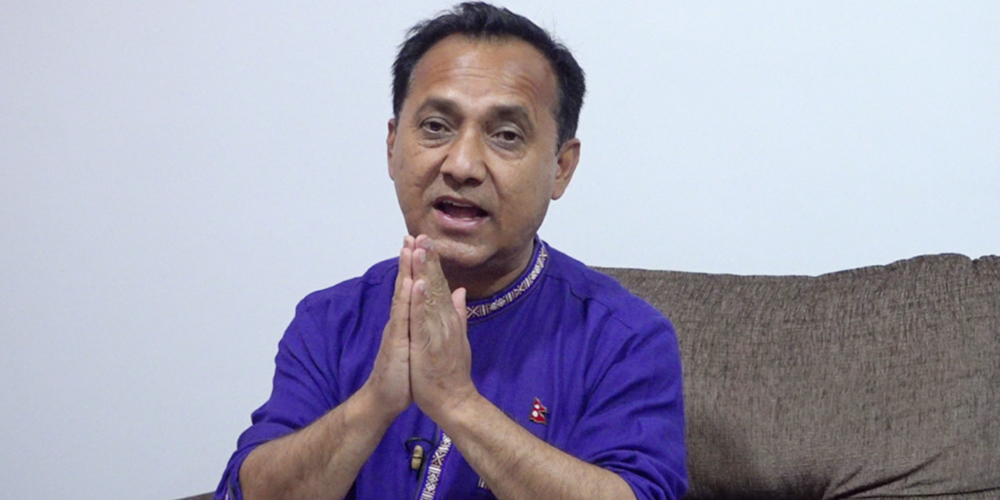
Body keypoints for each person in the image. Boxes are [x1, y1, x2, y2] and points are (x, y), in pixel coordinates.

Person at [216, 3, 687, 499]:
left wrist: (458, 403)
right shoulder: (331, 321)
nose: (461, 165)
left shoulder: (625, 339)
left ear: (561, 168)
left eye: (506, 135)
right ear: (393, 147)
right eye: (436, 127)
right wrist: (374, 403)